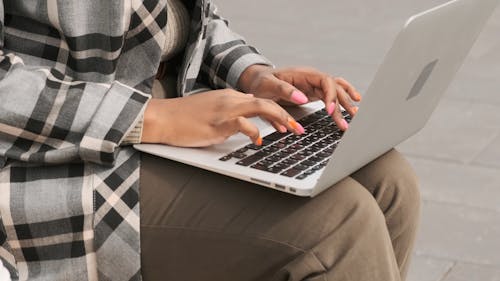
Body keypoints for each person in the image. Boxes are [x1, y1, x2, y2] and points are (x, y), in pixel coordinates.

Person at [0, 0, 420, 280]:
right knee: (338, 226)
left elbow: (180, 19)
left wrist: (251, 74)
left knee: (387, 179)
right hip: (42, 154)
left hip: (163, 114)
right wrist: (152, 116)